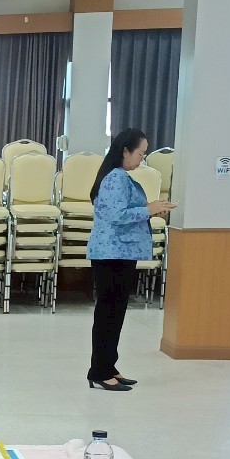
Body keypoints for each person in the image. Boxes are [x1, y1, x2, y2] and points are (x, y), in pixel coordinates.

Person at [86, 127, 176, 392]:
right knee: (109, 314)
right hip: (112, 254)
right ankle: (99, 371)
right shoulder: (115, 178)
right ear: (125, 151)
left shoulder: (121, 176)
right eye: (140, 153)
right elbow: (117, 216)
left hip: (120, 253)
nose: (142, 158)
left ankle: (108, 366)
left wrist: (151, 209)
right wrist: (149, 209)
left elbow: (125, 211)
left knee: (115, 313)